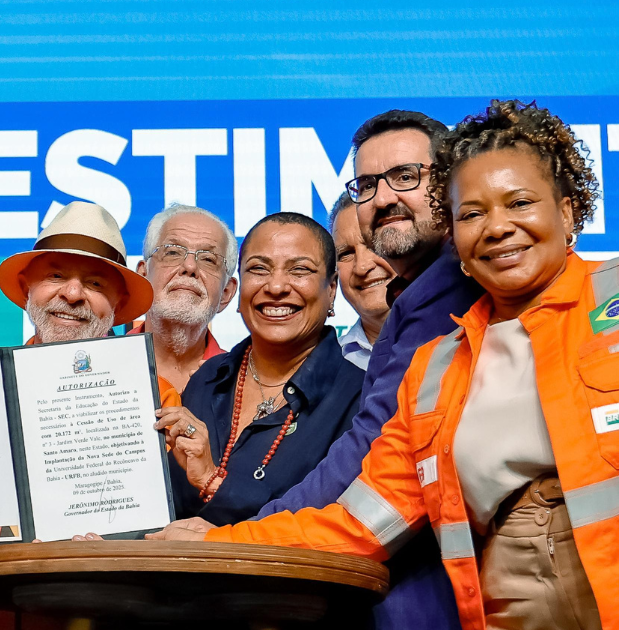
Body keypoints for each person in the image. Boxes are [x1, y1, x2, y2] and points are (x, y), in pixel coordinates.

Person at [154, 99, 613, 630]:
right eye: (472, 214)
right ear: (453, 231)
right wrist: (222, 541)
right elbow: (367, 518)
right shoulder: (437, 367)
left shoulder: (613, 297)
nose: (497, 227)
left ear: (569, 211)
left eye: (519, 203)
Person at [246, 110, 480, 629]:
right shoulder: (416, 300)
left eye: (405, 176)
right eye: (367, 184)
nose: (383, 198)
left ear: (449, 183)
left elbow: (370, 463)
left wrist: (236, 539)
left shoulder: (456, 293)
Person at [0, 201, 167, 630]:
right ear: (27, 287)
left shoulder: (158, 395)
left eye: (96, 282)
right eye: (56, 276)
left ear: (119, 304)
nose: (72, 294)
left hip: (105, 612)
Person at [153, 212, 363, 527]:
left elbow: (330, 524)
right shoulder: (207, 380)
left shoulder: (362, 398)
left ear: (331, 289)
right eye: (258, 269)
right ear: (238, 291)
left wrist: (213, 480)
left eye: (300, 270)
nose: (276, 286)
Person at [132, 204, 235, 392]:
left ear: (226, 293)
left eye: (208, 259)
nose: (190, 266)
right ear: (143, 276)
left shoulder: (243, 385)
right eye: (172, 252)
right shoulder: (99, 368)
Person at [329, 192, 395, 369]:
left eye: (374, 245)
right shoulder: (325, 369)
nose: (362, 266)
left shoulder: (464, 341)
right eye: (346, 254)